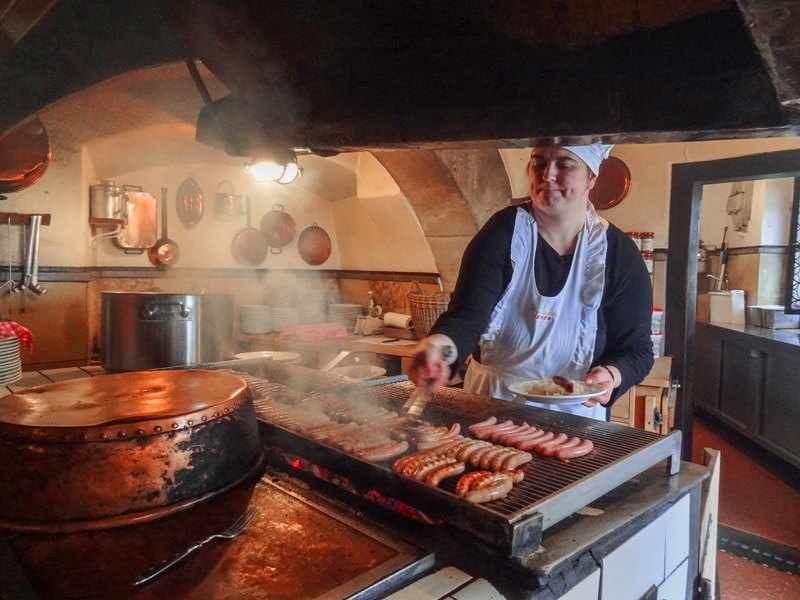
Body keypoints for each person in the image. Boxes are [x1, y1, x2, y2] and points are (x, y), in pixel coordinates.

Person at [409, 142, 654, 420]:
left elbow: (638, 350)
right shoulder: (502, 233)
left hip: (576, 417)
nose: (547, 175)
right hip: (490, 406)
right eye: (539, 163)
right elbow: (466, 317)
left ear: (591, 178)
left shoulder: (619, 254)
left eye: (564, 164)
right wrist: (439, 348)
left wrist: (612, 374)